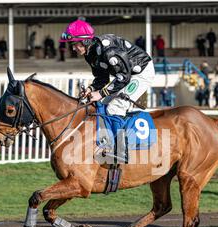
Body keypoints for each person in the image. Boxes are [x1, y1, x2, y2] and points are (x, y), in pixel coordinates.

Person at [59, 19, 155, 160]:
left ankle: (121, 150)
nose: (73, 48)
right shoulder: (89, 53)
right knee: (102, 104)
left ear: (85, 41)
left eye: (75, 44)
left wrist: (101, 93)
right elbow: (102, 79)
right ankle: (107, 141)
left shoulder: (109, 51)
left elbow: (124, 77)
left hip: (141, 73)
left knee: (116, 107)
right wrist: (91, 89)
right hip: (125, 75)